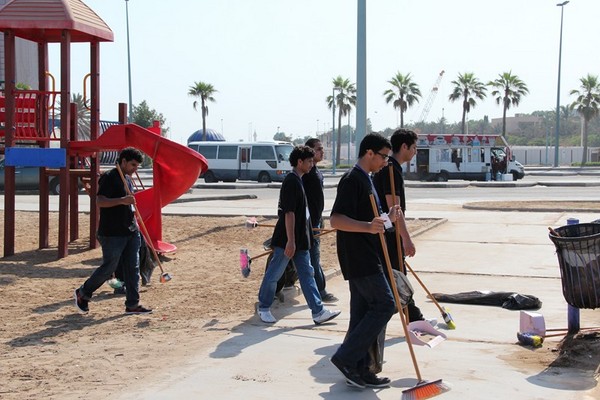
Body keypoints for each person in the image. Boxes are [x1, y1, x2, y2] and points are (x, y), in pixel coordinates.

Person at [329, 133, 400, 389]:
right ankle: (345, 357)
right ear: (369, 153)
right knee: (384, 305)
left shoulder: (368, 180)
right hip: (360, 258)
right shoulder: (352, 180)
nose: (385, 162)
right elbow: (336, 220)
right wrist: (368, 227)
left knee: (361, 314)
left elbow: (374, 223)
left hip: (370, 254)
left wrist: (388, 219)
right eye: (383, 157)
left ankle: (360, 369)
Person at [257, 145, 341, 325]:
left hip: (301, 240)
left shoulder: (299, 180)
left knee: (307, 274)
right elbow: (289, 213)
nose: (312, 164)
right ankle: (263, 307)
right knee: (274, 274)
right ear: (299, 162)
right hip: (288, 240)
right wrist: (291, 241)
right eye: (309, 161)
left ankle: (318, 312)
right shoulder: (291, 181)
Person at [74, 147, 152, 315]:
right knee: (109, 268)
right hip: (112, 232)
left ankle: (132, 304)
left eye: (137, 166)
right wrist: (122, 200)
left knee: (133, 268)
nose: (135, 169)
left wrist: (134, 219)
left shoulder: (128, 179)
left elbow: (129, 205)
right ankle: (83, 293)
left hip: (130, 230)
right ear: (123, 161)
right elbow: (100, 201)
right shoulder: (109, 177)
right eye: (133, 165)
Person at [372, 128, 436, 326]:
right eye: (414, 147)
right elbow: (395, 209)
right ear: (404, 146)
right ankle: (413, 319)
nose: (416, 151)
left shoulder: (389, 167)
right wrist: (406, 239)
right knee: (398, 277)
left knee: (396, 276)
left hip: (386, 230)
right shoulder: (391, 170)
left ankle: (413, 317)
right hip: (390, 233)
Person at [302, 138, 338, 303]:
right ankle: (321, 291)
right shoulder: (305, 175)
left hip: (317, 219)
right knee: (313, 257)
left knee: (312, 256)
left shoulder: (316, 172)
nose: (322, 152)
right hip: (308, 222)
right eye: (318, 149)